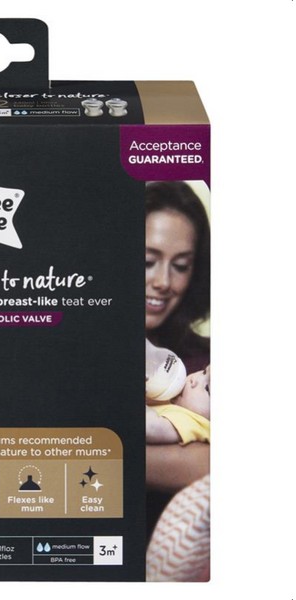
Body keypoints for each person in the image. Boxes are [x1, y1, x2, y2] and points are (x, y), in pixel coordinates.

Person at [144, 181, 211, 541]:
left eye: (181, 266)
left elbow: (210, 466)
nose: (163, 281)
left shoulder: (207, 364)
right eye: (147, 261)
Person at [146, 365, 210, 446]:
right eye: (204, 372)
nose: (193, 379)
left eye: (207, 388)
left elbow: (151, 427)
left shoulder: (196, 422)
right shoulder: (174, 396)